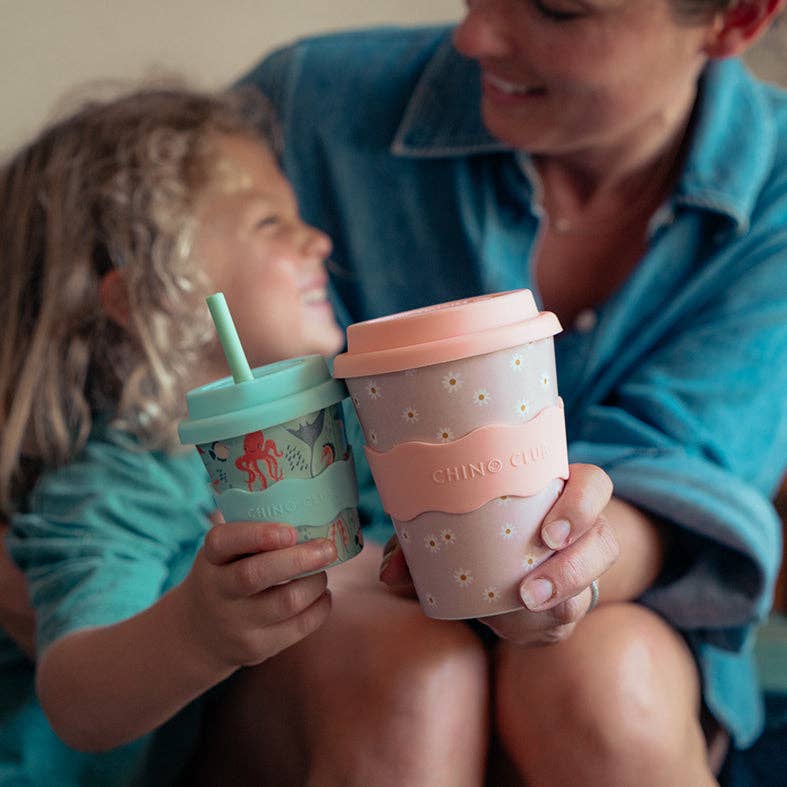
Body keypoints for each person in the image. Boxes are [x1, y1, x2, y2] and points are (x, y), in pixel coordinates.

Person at [237, 0, 787, 784]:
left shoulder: (776, 194)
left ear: (737, 18)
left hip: (634, 608)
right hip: (343, 596)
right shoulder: (306, 105)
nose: (473, 37)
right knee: (409, 676)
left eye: (556, 10)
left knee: (605, 681)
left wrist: (559, 569)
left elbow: (690, 474)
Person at [0, 86, 488, 786]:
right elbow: (75, 702)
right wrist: (194, 632)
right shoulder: (123, 480)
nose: (317, 239)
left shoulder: (346, 426)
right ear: (150, 297)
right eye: (268, 223)